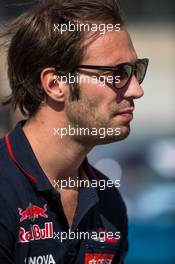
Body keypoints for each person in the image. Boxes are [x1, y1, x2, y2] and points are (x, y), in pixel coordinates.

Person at [0, 0, 149, 263]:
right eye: (118, 73)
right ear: (56, 84)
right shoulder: (5, 190)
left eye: (136, 70)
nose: (136, 90)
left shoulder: (108, 203)